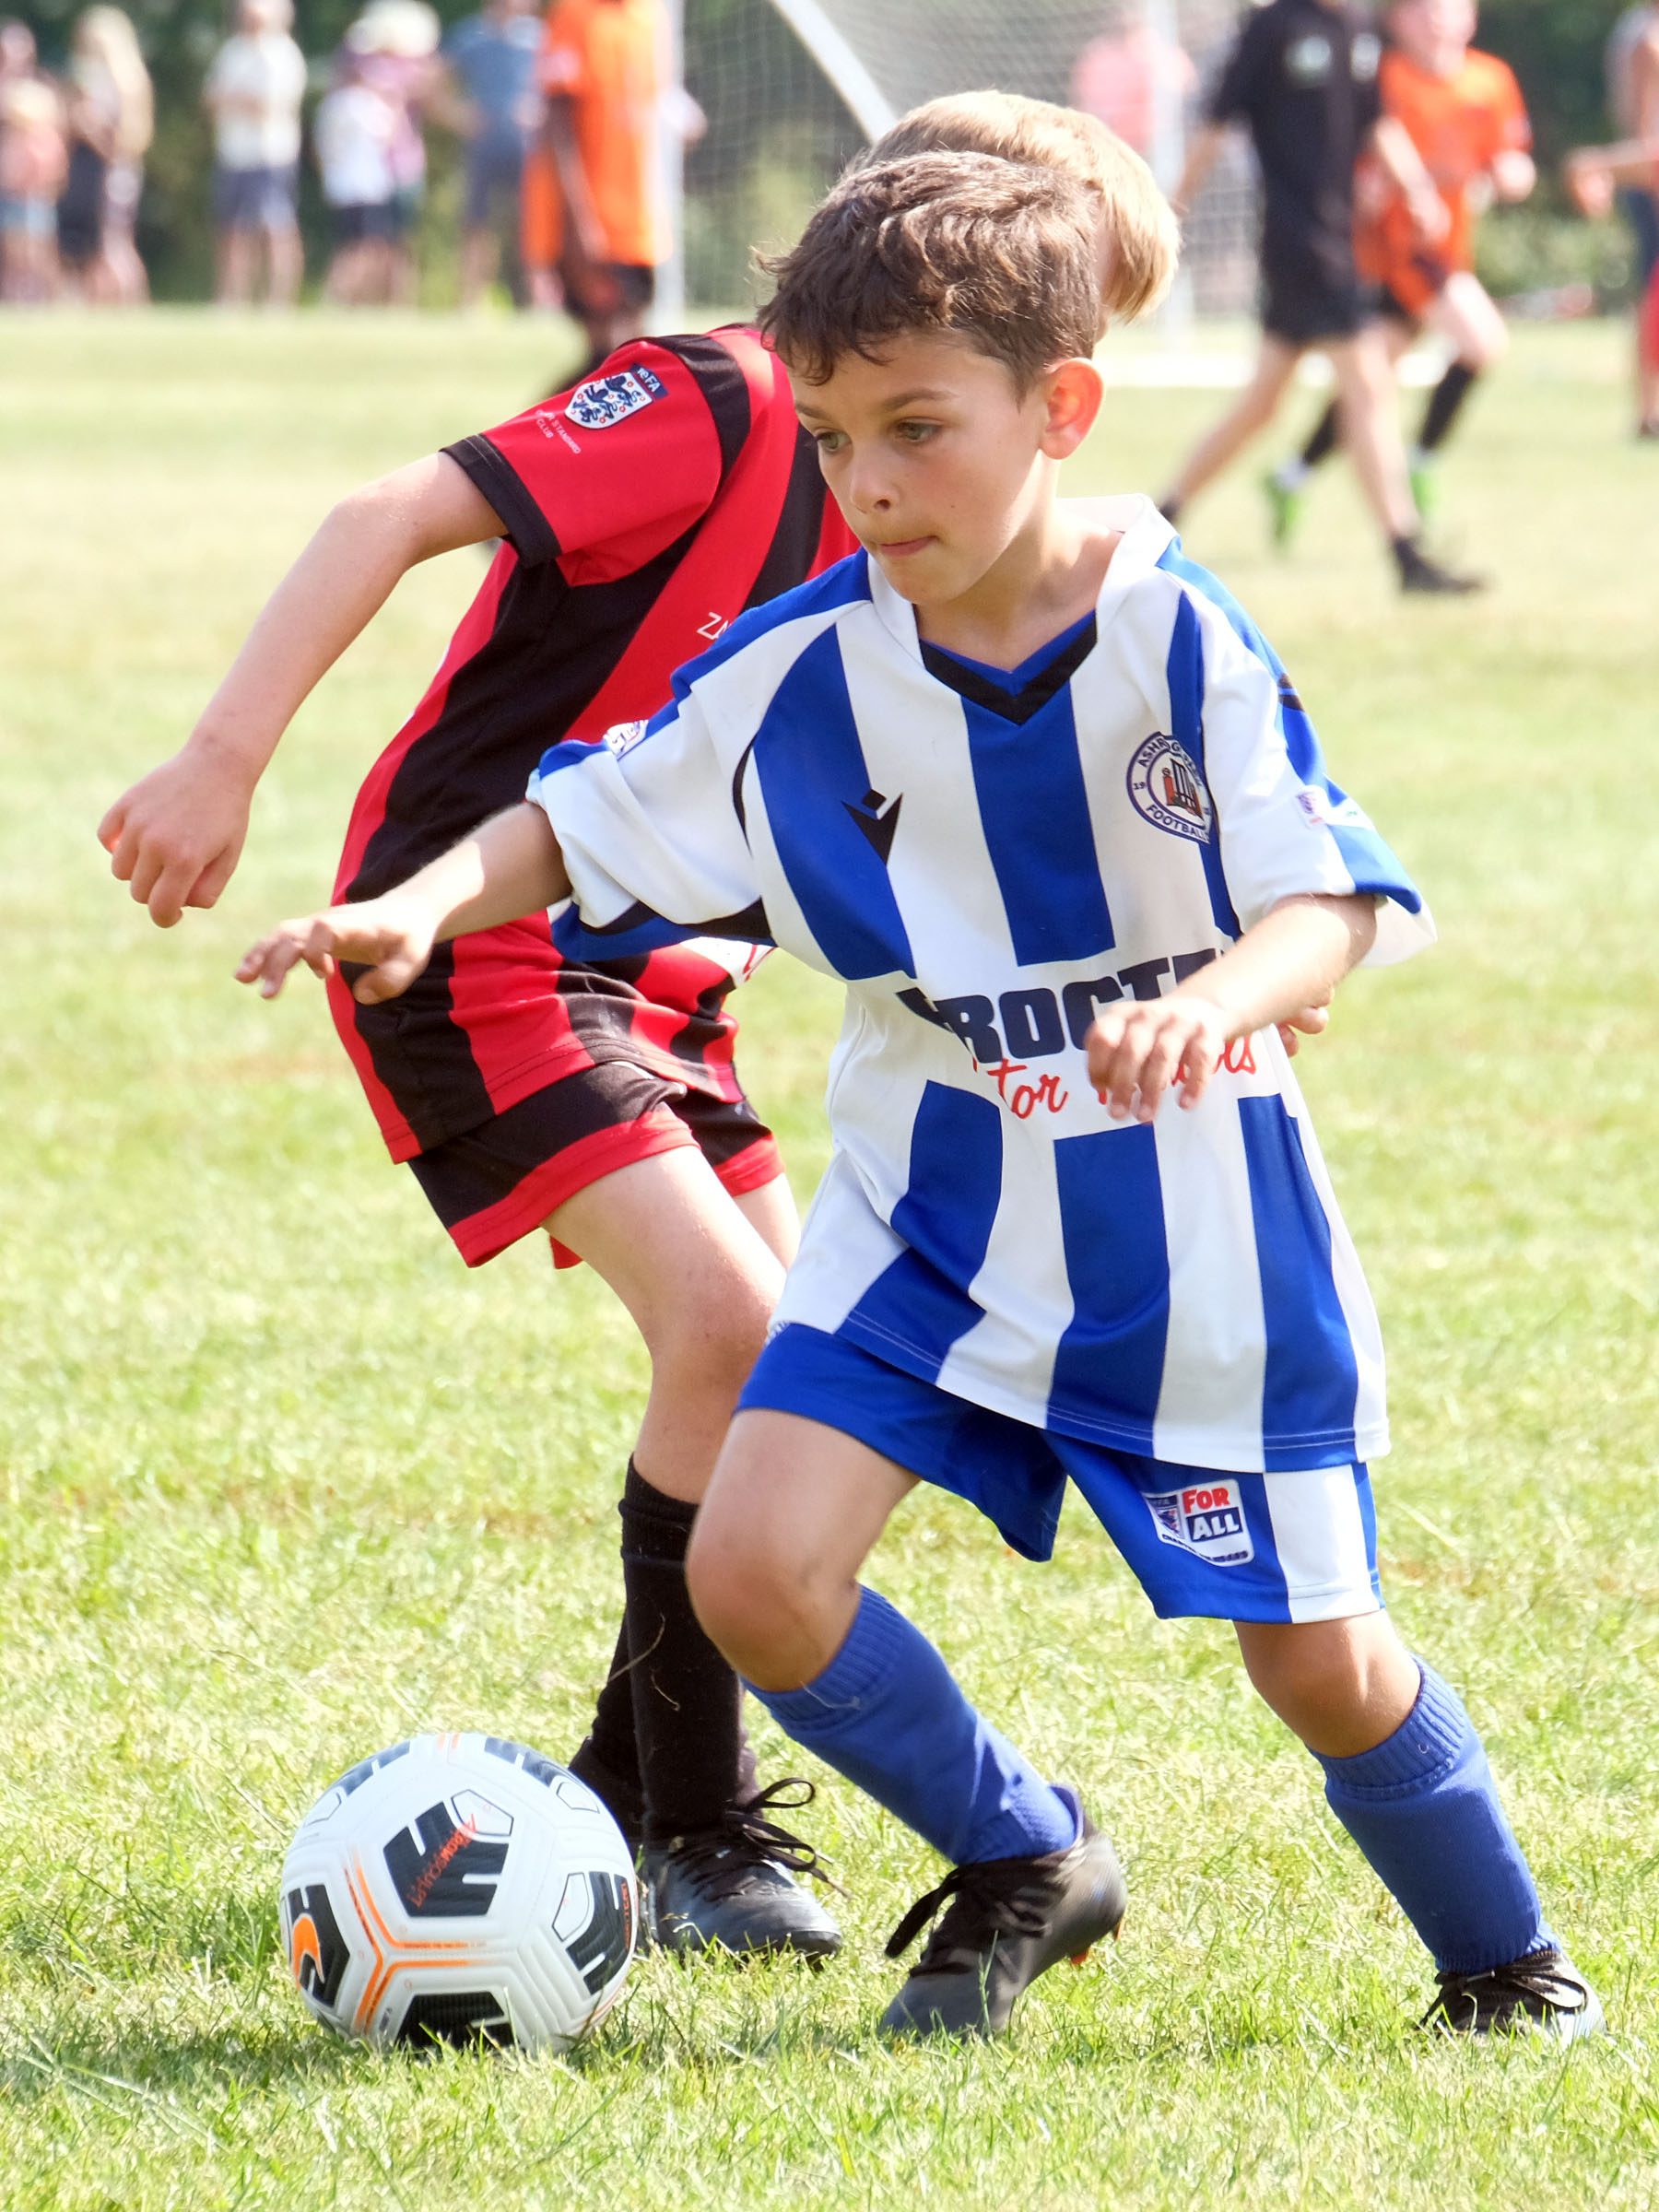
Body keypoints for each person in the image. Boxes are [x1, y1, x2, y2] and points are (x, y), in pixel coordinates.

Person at [240, 149, 1605, 2049]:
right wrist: (416, 900)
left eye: (915, 431)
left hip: (1184, 1216)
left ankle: (1508, 1964)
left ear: (1063, 409)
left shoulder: (1168, 626)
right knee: (759, 1576)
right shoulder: (810, 662)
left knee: (1317, 1657)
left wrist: (1215, 1002)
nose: (867, 486)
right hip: (932, 1202)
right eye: (828, 439)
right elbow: (588, 809)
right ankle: (1030, 1848)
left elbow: (1331, 899)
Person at [99, 94, 1182, 1962]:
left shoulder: (940, 509)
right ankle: (691, 1829)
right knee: (737, 1330)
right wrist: (219, 760)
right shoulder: (725, 398)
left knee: (812, 1400)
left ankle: (620, 1793)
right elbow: (394, 509)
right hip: (470, 942)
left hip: (671, 988)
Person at [1159, 0, 1481, 593]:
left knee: (1263, 404)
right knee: (1369, 385)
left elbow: (1376, 121)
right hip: (1298, 244)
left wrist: (1416, 191)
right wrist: (1171, 208)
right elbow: (1216, 121)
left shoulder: (1357, 30)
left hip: (1339, 239)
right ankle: (1407, 555)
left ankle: (1159, 519)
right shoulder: (1274, 28)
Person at [1266, 0, 1533, 541]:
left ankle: (1292, 474)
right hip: (1397, 250)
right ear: (1399, 20)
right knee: (1482, 342)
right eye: (1422, 9)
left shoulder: (1490, 79)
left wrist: (1513, 174)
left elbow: (1514, 159)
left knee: (1369, 386)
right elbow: (1353, 156)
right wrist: (1369, 190)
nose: (1436, 18)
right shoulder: (1387, 78)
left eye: (1447, 7)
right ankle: (1423, 458)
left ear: (1471, 16)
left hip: (1449, 246)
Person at [524, 0, 671, 375]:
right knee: (616, 353)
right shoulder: (574, 15)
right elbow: (557, 121)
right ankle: (533, 431)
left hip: (636, 221)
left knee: (624, 356)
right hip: (591, 220)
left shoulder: (648, 17)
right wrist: (578, 223)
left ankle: (535, 430)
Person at [205, 0, 307, 308]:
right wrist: (239, 100)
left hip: (270, 155)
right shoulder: (233, 51)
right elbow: (211, 97)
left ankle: (279, 298)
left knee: (276, 227)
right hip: (233, 153)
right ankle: (231, 297)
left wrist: (233, 99)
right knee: (231, 229)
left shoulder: (282, 55)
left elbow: (269, 106)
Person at [441, 0, 541, 309]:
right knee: (477, 224)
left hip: (530, 148)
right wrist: (458, 115)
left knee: (535, 227)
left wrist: (539, 111)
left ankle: (538, 302)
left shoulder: (539, 37)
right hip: (484, 147)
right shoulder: (471, 36)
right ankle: (470, 301)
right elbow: (434, 82)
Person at [1604, 2, 1659, 436]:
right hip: (1651, 178)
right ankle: (1646, 411)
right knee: (1652, 293)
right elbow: (1641, 127)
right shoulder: (1647, 37)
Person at [314, 48, 400, 303]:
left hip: (341, 185)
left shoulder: (331, 104)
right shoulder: (364, 104)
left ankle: (349, 298)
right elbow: (386, 137)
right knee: (363, 247)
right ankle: (338, 295)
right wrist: (394, 105)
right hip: (365, 185)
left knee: (351, 244)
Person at [0, 27, 66, 302]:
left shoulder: (42, 87)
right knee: (11, 250)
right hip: (8, 183)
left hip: (35, 185)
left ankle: (52, 300)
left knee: (39, 249)